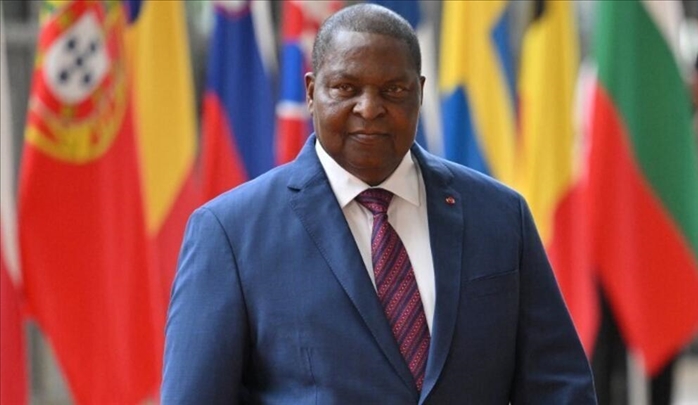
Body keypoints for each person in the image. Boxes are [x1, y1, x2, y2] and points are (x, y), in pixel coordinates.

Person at [161, 4, 597, 404]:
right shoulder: (230, 233)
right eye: (345, 88)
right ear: (311, 92)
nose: (369, 109)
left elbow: (559, 387)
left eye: (393, 89)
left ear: (419, 93)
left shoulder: (500, 216)